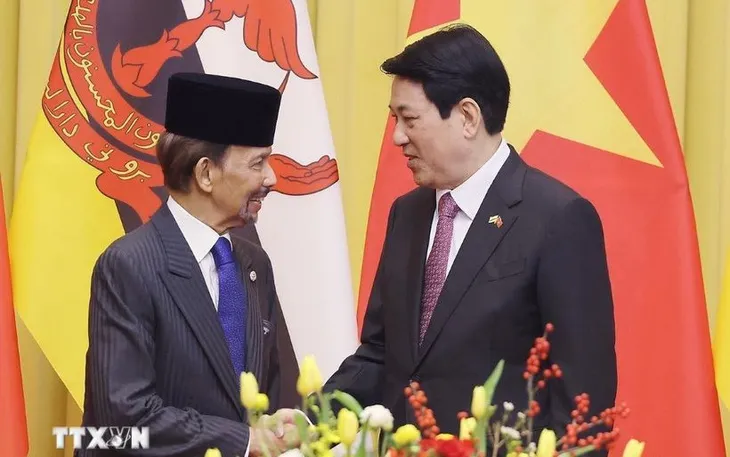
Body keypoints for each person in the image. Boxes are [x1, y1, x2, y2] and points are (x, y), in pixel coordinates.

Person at [323, 24, 617, 450]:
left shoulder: (557, 218)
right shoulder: (407, 214)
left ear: (467, 117)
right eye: (394, 120)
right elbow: (380, 355)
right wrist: (309, 421)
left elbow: (583, 399)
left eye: (409, 119)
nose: (397, 137)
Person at [77, 72, 300, 456]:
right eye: (258, 163)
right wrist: (245, 441)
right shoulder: (129, 265)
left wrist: (273, 430)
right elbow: (124, 420)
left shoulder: (255, 266)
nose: (272, 178)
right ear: (205, 173)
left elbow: (262, 394)